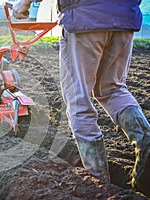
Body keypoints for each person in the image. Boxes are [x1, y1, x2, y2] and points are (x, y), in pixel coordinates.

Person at [13, 0, 150, 196]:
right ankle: (146, 139)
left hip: (84, 18)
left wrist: (23, 2)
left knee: (79, 100)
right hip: (123, 17)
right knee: (113, 89)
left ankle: (100, 185)